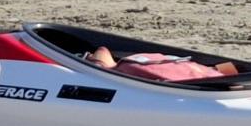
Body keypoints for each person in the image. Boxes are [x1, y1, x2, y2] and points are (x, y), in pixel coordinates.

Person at [83, 46, 239, 82]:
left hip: (216, 80)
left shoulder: (128, 68)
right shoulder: (133, 62)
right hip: (218, 76)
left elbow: (102, 50)